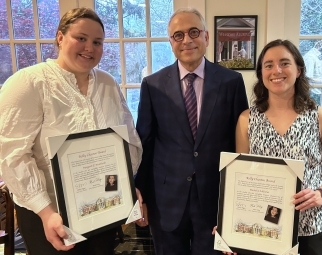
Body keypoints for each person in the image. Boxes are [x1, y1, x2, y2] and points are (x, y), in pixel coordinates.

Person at [0, 7, 142, 255]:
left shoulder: (108, 83)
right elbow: (12, 154)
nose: (90, 47)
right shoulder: (28, 83)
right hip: (51, 215)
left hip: (101, 207)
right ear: (60, 37)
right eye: (81, 38)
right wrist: (45, 211)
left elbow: (124, 140)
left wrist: (124, 187)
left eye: (97, 42)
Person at [134, 7, 248, 255]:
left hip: (215, 201)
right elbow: (146, 143)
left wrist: (238, 204)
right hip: (166, 201)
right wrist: (139, 196)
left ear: (206, 37)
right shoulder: (152, 85)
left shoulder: (231, 82)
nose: (187, 40)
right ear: (171, 42)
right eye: (178, 35)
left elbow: (241, 147)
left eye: (194, 32)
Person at [235, 39, 322, 255]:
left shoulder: (320, 117)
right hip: (263, 229)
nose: (277, 70)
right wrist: (231, 223)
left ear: (298, 70)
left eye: (285, 63)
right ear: (261, 73)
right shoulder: (247, 120)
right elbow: (240, 178)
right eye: (269, 65)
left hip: (308, 226)